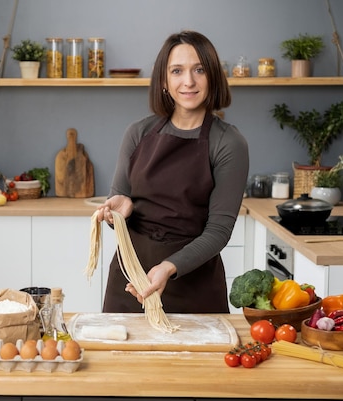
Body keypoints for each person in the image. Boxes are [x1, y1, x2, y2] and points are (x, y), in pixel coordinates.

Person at [97, 30, 249, 314]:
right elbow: (118, 200)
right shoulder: (138, 133)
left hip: (194, 287)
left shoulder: (228, 142)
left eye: (199, 70)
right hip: (130, 281)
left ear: (213, 76)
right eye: (177, 70)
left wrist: (168, 267)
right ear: (164, 81)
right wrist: (117, 211)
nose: (188, 81)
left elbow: (218, 231)